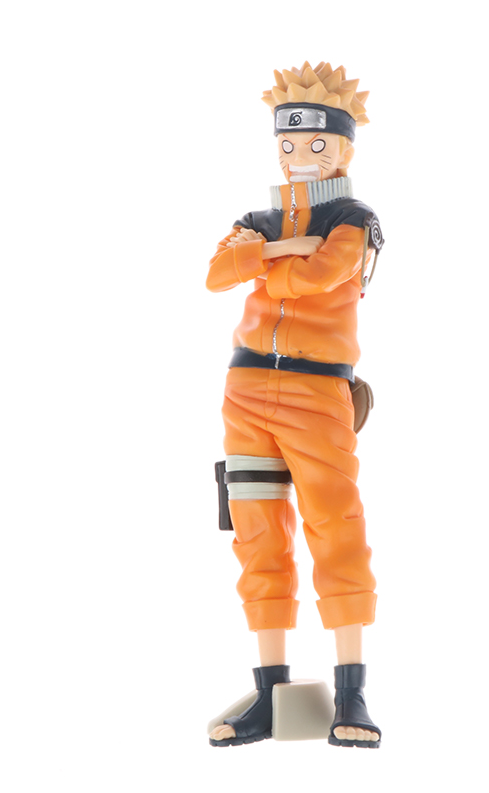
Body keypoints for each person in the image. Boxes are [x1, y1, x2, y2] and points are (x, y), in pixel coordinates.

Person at [206, 62, 382, 749]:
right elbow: (216, 274)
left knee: (336, 527)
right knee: (257, 536)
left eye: (316, 144)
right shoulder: (258, 220)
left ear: (344, 149)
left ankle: (351, 690)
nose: (300, 155)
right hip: (246, 391)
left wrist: (263, 260)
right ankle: (269, 691)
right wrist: (284, 245)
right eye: (287, 143)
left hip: (316, 392)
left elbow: (317, 277)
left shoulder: (353, 221)